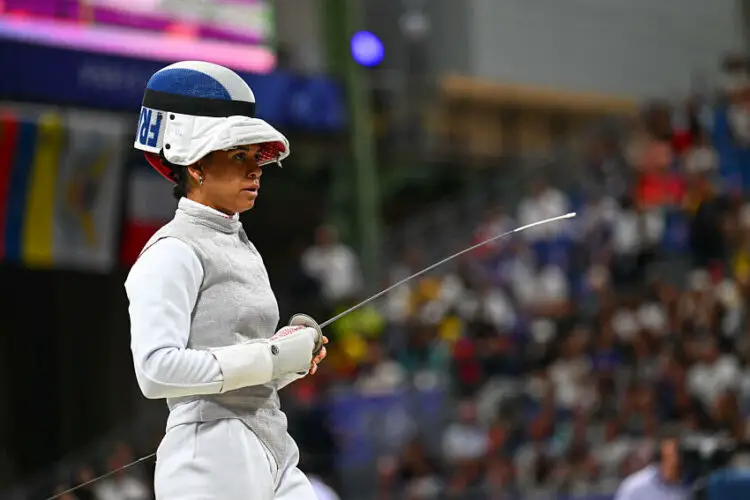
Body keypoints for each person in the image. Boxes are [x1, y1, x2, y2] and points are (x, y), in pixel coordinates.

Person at [124, 61, 329, 500]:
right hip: (210, 450)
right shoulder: (173, 250)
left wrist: (290, 358)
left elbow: (248, 365)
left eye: (256, 157)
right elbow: (156, 371)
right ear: (195, 165)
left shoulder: (239, 244)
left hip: (270, 438)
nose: (256, 170)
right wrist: (272, 356)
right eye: (239, 156)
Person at [613, 430, 689, 500]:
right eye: (673, 453)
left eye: (680, 453)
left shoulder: (687, 489)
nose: (678, 460)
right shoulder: (636, 486)